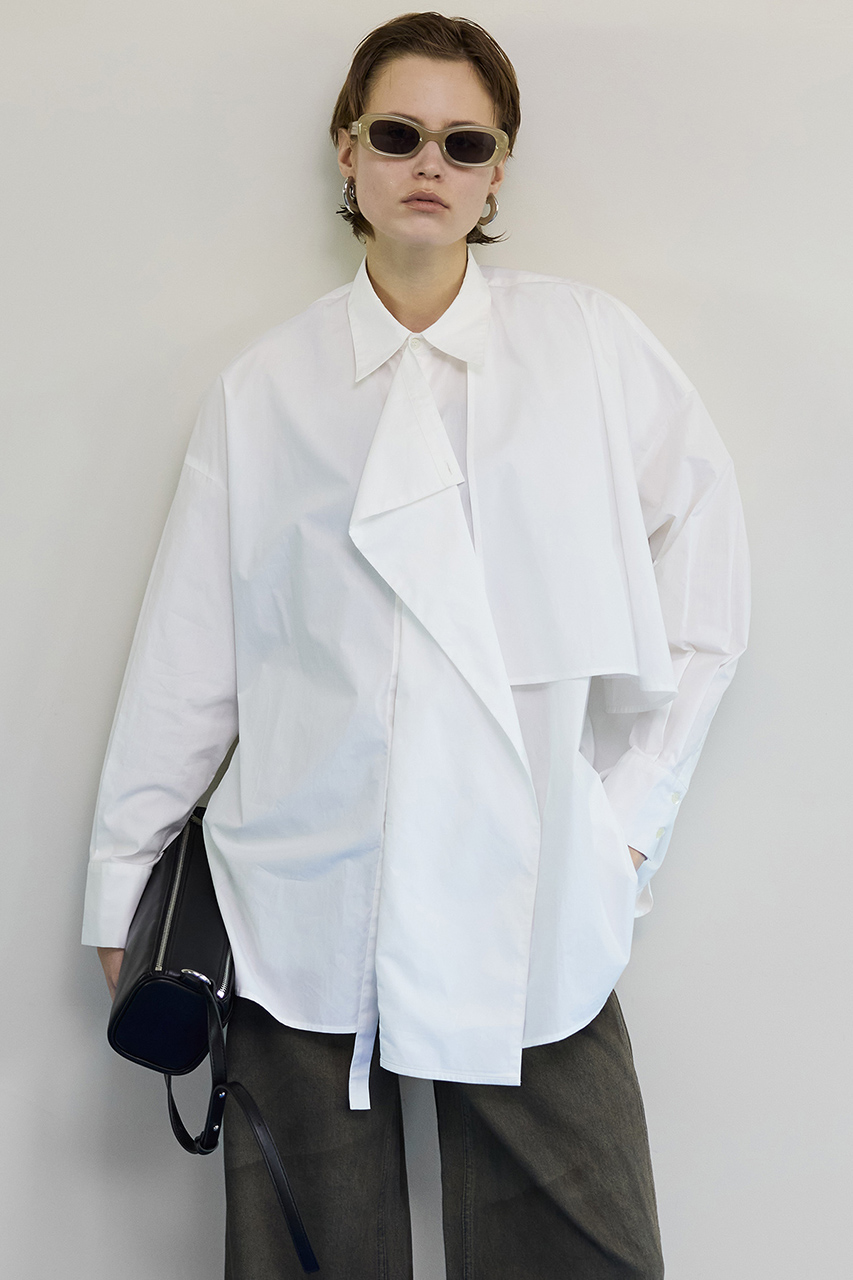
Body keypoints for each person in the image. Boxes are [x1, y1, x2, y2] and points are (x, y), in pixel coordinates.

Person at [83, 12, 750, 1279]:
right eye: (397, 135)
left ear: (498, 170)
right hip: (302, 894)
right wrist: (125, 877)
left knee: (592, 1253)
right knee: (308, 1255)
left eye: (463, 141)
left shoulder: (586, 348)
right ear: (348, 153)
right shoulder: (267, 389)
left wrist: (623, 826)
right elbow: (189, 656)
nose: (428, 164)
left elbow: (708, 583)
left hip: (532, 897)